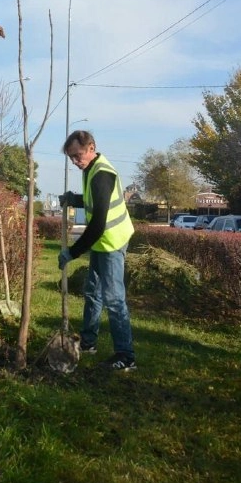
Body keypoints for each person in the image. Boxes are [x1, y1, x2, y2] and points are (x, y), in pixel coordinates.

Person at [58, 130, 136, 371]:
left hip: (112, 241)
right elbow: (95, 200)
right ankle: (89, 342)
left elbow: (97, 225)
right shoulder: (90, 169)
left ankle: (126, 356)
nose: (75, 161)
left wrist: (72, 252)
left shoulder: (102, 173)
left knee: (114, 298)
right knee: (93, 292)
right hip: (102, 242)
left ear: (91, 148)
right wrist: (75, 199)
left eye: (77, 155)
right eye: (71, 157)